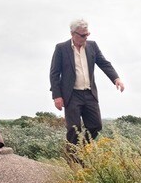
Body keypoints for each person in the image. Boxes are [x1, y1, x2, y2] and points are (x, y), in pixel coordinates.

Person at [49, 18, 125, 146]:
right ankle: (73, 160)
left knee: (96, 125)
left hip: (90, 93)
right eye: (83, 35)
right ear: (73, 34)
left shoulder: (92, 46)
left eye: (87, 34)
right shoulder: (61, 48)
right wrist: (57, 96)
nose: (86, 37)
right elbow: (54, 73)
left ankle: (81, 150)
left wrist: (116, 78)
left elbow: (104, 63)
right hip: (71, 95)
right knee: (74, 129)